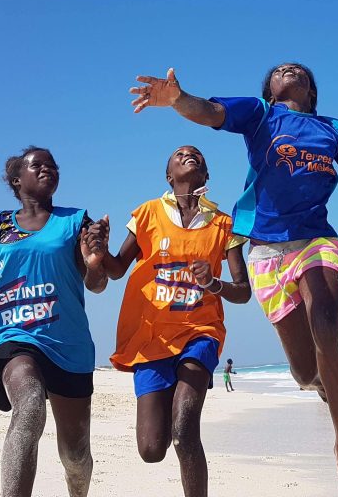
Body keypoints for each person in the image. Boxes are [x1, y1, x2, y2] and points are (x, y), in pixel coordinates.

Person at [130, 64, 338, 497]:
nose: (288, 68)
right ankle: (323, 387)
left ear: (312, 91)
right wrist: (178, 101)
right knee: (303, 372)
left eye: (298, 70)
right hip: (265, 251)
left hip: (315, 240)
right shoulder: (261, 115)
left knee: (328, 322)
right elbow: (210, 111)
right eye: (279, 70)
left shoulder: (335, 129)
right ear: (271, 90)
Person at [0, 147, 109, 497]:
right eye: (37, 165)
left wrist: (95, 261)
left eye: (52, 165)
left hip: (68, 345)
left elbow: (97, 284)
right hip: (12, 334)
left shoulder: (77, 221)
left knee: (75, 456)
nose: (47, 168)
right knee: (30, 404)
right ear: (18, 180)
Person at [97, 145, 251, 497]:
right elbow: (117, 269)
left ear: (206, 176)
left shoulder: (224, 224)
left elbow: (242, 291)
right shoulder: (148, 214)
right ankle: (163, 396)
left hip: (201, 333)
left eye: (196, 154)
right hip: (150, 339)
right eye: (180, 154)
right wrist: (99, 250)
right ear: (169, 176)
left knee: (184, 427)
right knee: (152, 449)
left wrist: (213, 283)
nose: (188, 154)